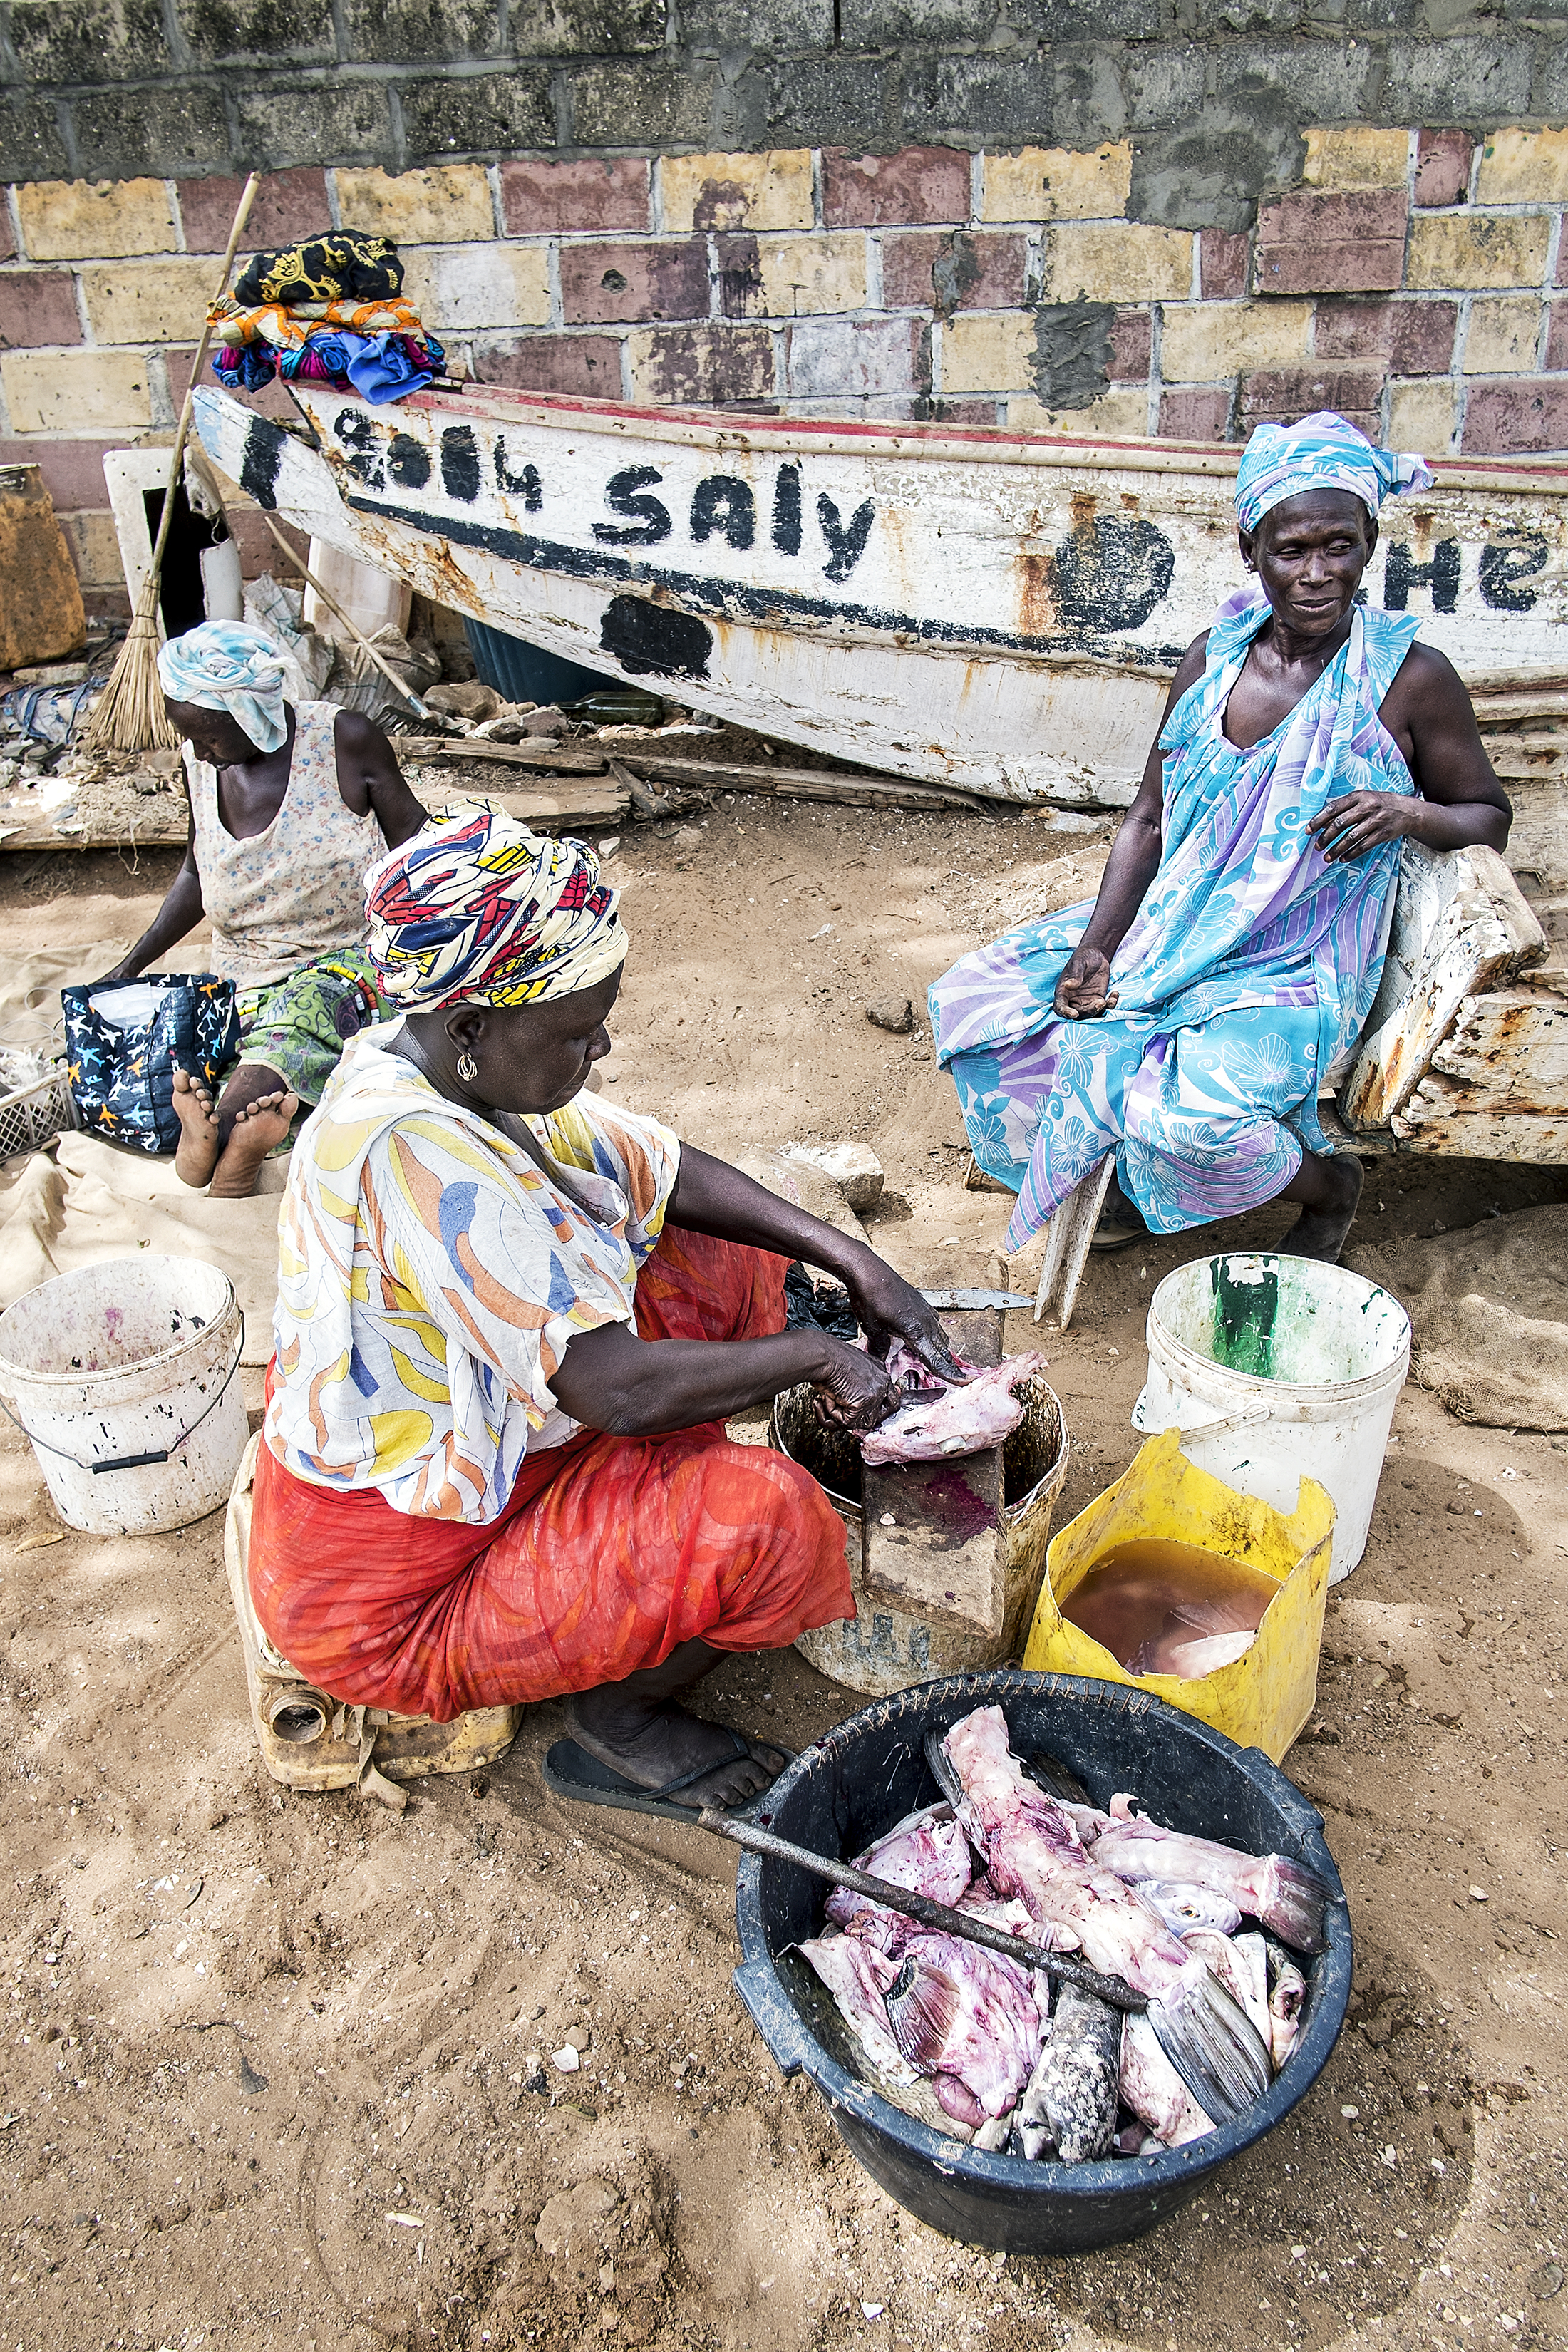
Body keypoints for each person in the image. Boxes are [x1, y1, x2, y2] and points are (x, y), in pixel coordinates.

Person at [247, 805, 962, 1812]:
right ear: (472, 1030)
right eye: (580, 1032)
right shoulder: (413, 1154)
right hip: (393, 1598)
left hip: (488, 1454)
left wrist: (857, 1261)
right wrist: (811, 1355)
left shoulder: (443, 1066)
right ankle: (618, 1724)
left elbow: (654, 1165)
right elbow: (614, 1391)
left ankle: (641, 1524)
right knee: (771, 1522)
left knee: (711, 1250)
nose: (605, 1045)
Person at [931, 411, 1512, 1267]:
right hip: (1175, 927)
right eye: (1292, 550)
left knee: (1192, 1122)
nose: (1317, 574)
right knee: (982, 1010)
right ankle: (1122, 1187)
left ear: (1370, 543)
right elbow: (1148, 819)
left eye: (1339, 547)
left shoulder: (1408, 679)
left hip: (1296, 961)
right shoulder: (1210, 660)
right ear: (1250, 550)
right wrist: (1098, 945)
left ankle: (1325, 1189)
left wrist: (1406, 811)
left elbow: (1487, 815)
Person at [102, 619, 428, 1197]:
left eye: (209, 736)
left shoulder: (345, 741)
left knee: (306, 1015)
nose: (200, 752)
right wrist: (130, 967)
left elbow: (420, 851)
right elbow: (196, 870)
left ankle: (217, 1144)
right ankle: (243, 1143)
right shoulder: (200, 761)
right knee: (216, 1053)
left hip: (348, 963)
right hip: (241, 979)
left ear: (250, 713)